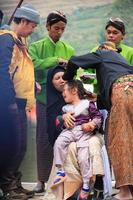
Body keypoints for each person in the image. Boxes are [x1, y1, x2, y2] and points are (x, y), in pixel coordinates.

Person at [63, 41, 133, 200]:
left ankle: (125, 193)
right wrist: (95, 98)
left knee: (119, 141)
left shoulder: (104, 53)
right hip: (126, 91)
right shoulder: (122, 62)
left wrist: (68, 79)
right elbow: (108, 98)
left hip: (124, 92)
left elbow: (74, 60)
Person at [29, 10, 74, 193]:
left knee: (64, 138)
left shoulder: (69, 49)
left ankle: (64, 180)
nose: (59, 32)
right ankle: (41, 180)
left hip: (64, 99)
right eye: (56, 28)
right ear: (47, 27)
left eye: (63, 29)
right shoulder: (36, 46)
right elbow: (32, 63)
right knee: (43, 139)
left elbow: (72, 73)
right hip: (43, 99)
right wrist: (55, 60)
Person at [0, 4, 40, 200]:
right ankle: (8, 187)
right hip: (10, 102)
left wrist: (34, 84)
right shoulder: (6, 39)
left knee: (21, 146)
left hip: (22, 100)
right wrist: (9, 104)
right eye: (32, 26)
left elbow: (18, 71)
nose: (32, 30)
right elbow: (2, 73)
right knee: (12, 146)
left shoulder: (18, 42)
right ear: (23, 21)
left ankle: (15, 183)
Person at [51, 80, 103, 200]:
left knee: (83, 155)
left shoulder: (87, 104)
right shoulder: (65, 108)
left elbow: (98, 117)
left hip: (83, 132)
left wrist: (92, 124)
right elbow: (57, 123)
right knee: (58, 143)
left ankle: (86, 184)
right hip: (70, 132)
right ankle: (60, 170)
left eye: (64, 90)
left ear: (74, 90)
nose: (62, 93)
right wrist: (63, 119)